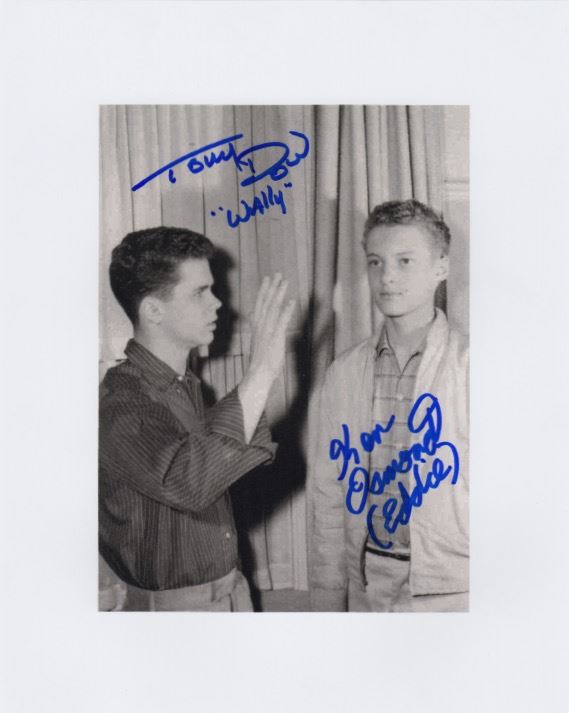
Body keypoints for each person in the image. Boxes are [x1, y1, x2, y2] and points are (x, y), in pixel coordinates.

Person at [99, 226, 295, 611]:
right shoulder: (120, 403)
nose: (217, 303)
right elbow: (188, 482)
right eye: (199, 292)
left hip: (229, 594)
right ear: (153, 311)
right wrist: (261, 371)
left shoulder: (185, 387)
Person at [309, 199, 469, 612]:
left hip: (453, 588)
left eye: (405, 261)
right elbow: (329, 491)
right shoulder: (344, 373)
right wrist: (329, 594)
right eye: (375, 262)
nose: (387, 277)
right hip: (369, 583)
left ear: (441, 267)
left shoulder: (473, 367)